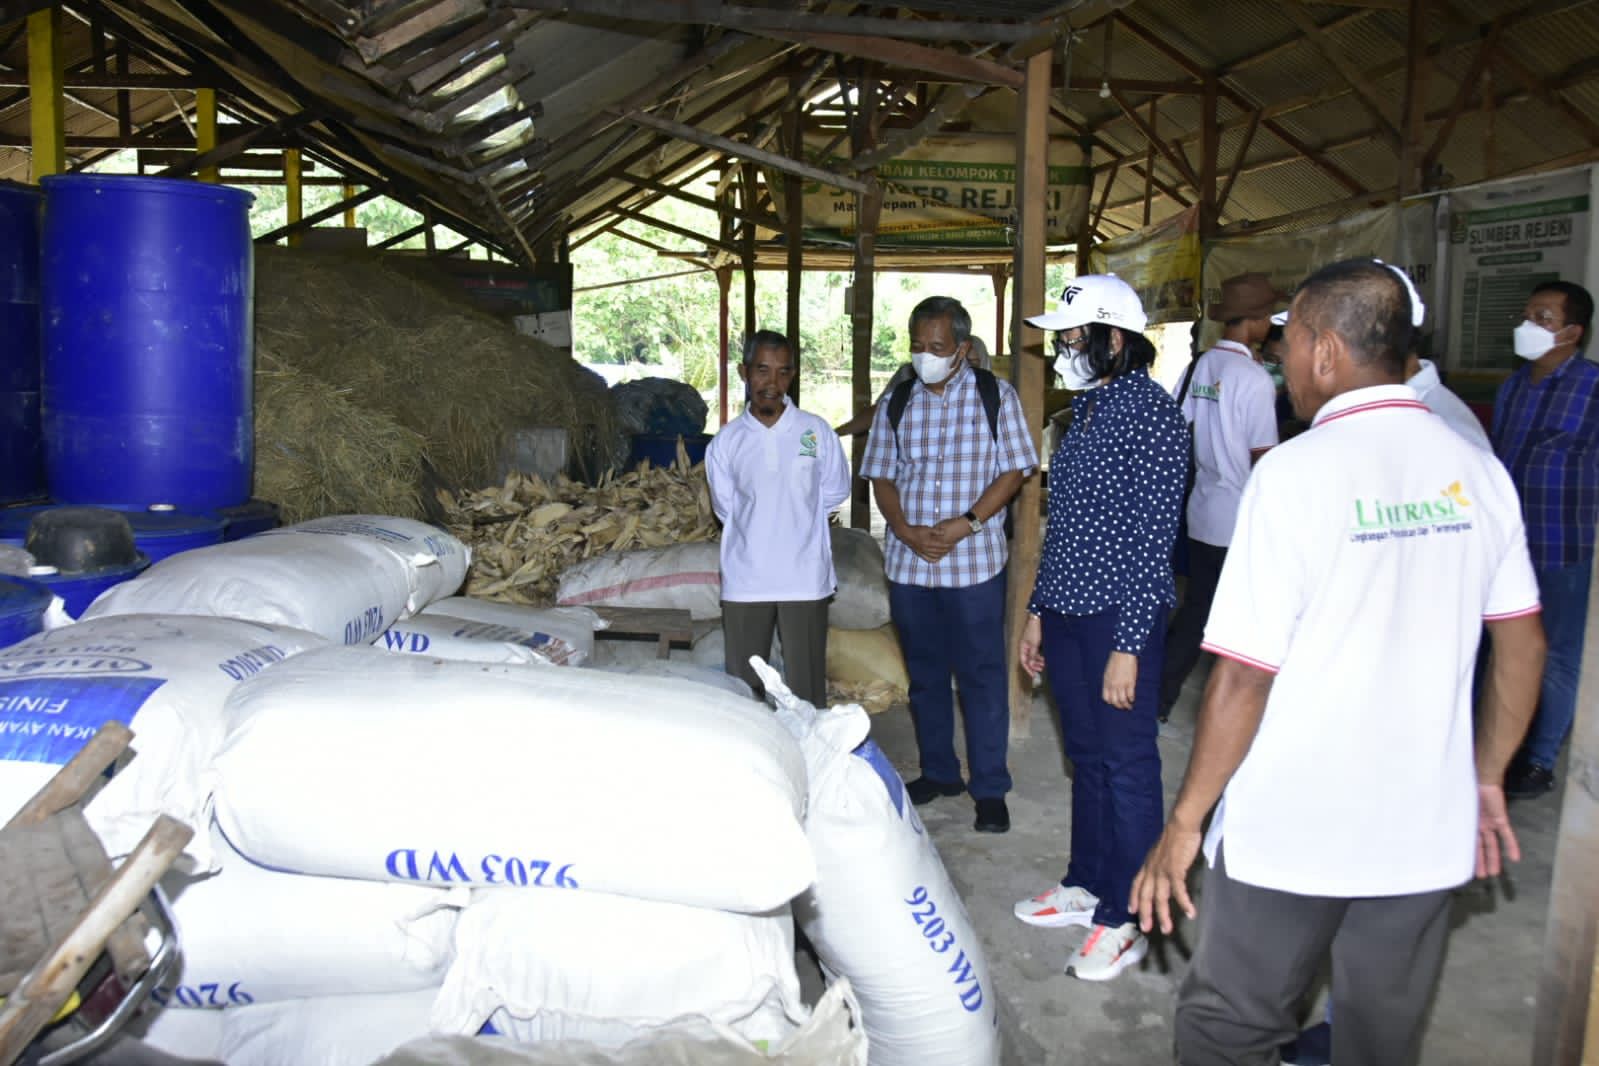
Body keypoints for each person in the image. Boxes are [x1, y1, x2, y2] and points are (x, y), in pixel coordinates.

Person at [1130, 259, 1546, 1066]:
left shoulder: (1294, 475)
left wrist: (1184, 823)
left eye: (1288, 344)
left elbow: (1243, 677)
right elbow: (1523, 643)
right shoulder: (1474, 466)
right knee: (1380, 1033)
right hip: (1425, 826)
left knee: (1230, 1023)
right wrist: (1486, 777)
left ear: (1324, 350)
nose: (1281, 362)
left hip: (1297, 824)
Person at [1012, 275, 1186, 981]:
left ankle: (1128, 915)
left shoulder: (1153, 417)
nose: (1063, 347)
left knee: (1126, 764)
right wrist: (1035, 612)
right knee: (1085, 754)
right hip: (1067, 610)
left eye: (1073, 335)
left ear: (1115, 339)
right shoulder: (1085, 412)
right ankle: (1087, 883)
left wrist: (1128, 648)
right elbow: (1065, 527)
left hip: (1119, 615)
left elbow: (1153, 543)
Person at [859, 298, 1036, 833]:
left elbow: (1014, 471)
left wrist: (969, 522)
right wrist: (905, 530)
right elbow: (881, 475)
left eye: (937, 347)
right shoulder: (899, 399)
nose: (925, 356)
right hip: (910, 567)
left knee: (982, 677)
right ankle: (939, 772)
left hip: (973, 566)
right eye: (917, 345)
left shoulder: (994, 396)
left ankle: (989, 789)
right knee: (926, 677)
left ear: (961, 349)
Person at [1492, 280, 1599, 798]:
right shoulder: (1513, 387)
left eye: (1543, 317)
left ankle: (1538, 760)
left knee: (1557, 655)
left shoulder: (1593, 387)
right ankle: (1501, 746)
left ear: (1573, 332)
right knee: (1507, 649)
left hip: (1562, 545)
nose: (1528, 325)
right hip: (1508, 547)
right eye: (1527, 313)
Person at [1159, 273, 1282, 720]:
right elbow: (1263, 460)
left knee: (1197, 610)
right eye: (1268, 316)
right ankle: (1185, 697)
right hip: (1240, 517)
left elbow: (1177, 429)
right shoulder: (1255, 380)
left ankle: (1162, 691)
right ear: (1255, 321)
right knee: (1224, 620)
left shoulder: (1200, 367)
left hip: (1202, 511)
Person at [706, 330, 851, 704]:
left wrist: (795, 520)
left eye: (783, 372)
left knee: (806, 694)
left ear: (793, 375)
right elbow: (727, 509)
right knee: (743, 692)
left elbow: (834, 490)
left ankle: (806, 761)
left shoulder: (815, 432)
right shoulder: (726, 442)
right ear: (744, 372)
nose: (772, 383)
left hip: (804, 580)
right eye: (762, 371)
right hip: (746, 580)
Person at [835, 336, 990, 437]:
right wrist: (834, 434)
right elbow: (880, 412)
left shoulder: (994, 399)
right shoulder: (913, 379)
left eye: (973, 363)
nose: (963, 368)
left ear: (983, 364)